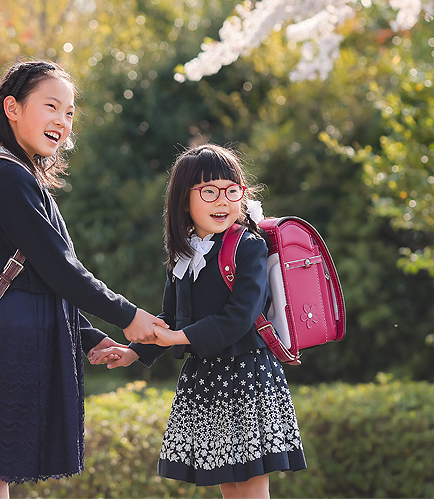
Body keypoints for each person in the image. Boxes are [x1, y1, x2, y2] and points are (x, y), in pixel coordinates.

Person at [0, 59, 167, 498]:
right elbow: (59, 267)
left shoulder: (16, 173)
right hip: (16, 332)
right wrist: (127, 315)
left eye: (69, 112)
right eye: (51, 106)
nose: (62, 121)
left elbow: (38, 275)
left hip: (20, 324)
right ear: (12, 107)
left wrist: (87, 336)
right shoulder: (6, 175)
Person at [93, 144, 306, 499]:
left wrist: (179, 338)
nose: (222, 200)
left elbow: (239, 316)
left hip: (246, 374)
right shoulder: (186, 252)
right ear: (183, 201)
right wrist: (134, 352)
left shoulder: (248, 246)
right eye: (209, 191)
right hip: (209, 378)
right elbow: (171, 317)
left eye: (231, 190)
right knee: (228, 483)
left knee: (252, 486)